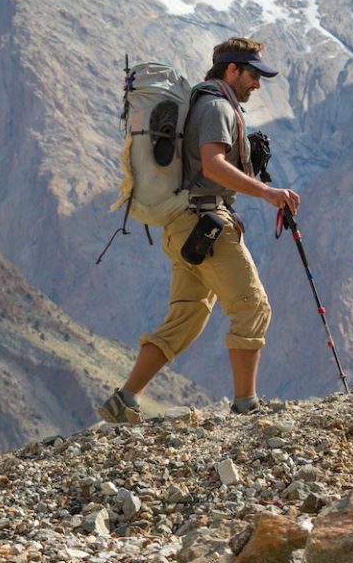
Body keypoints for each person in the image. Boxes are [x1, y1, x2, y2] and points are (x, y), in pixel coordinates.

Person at [98, 37, 301, 422]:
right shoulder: (216, 107)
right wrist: (267, 192)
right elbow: (212, 166)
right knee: (253, 308)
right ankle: (246, 408)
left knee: (186, 317)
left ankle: (124, 400)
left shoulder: (202, 102)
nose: (257, 84)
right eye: (253, 75)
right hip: (207, 225)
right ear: (232, 70)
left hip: (182, 228)